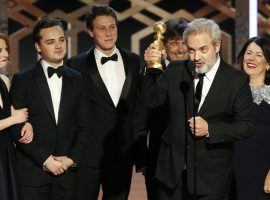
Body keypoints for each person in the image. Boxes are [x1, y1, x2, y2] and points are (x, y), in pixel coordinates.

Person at [138, 18, 256, 200]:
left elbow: (247, 125)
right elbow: (150, 100)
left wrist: (210, 129)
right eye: (191, 50)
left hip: (211, 180)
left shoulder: (236, 81)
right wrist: (149, 69)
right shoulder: (176, 70)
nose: (196, 57)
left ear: (217, 46)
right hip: (171, 178)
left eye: (203, 49)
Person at [66, 5, 144, 200]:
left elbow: (140, 106)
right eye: (102, 28)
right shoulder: (75, 65)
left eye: (112, 27)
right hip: (86, 156)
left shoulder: (134, 61)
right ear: (91, 31)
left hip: (121, 154)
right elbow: (69, 111)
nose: (109, 33)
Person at [9, 18, 90, 200]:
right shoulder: (22, 79)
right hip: (32, 175)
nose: (59, 46)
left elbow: (85, 125)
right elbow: (16, 128)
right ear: (38, 47)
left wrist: (70, 160)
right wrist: (45, 160)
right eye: (50, 42)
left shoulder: (78, 80)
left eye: (61, 40)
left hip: (67, 175)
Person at [142, 18, 188, 200]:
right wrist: (142, 158)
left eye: (184, 43)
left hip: (195, 164)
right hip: (159, 161)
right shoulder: (152, 73)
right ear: (164, 46)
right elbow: (140, 118)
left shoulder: (200, 72)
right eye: (174, 43)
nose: (181, 49)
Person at [232, 36, 270, 200]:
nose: (251, 58)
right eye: (248, 53)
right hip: (230, 173)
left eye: (259, 55)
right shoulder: (229, 90)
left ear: (268, 63)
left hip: (263, 173)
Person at [0, 33, 33, 200]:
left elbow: (15, 112)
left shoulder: (4, 81)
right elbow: (14, 118)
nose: (5, 54)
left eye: (6, 49)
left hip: (5, 151)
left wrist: (27, 124)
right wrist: (15, 119)